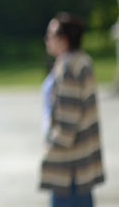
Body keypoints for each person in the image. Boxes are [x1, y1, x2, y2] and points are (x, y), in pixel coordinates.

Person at [40, 12, 105, 207]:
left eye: (50, 35)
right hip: (81, 165)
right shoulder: (81, 61)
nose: (47, 40)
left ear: (64, 39)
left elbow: (67, 123)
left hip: (69, 170)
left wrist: (49, 150)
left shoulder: (69, 68)